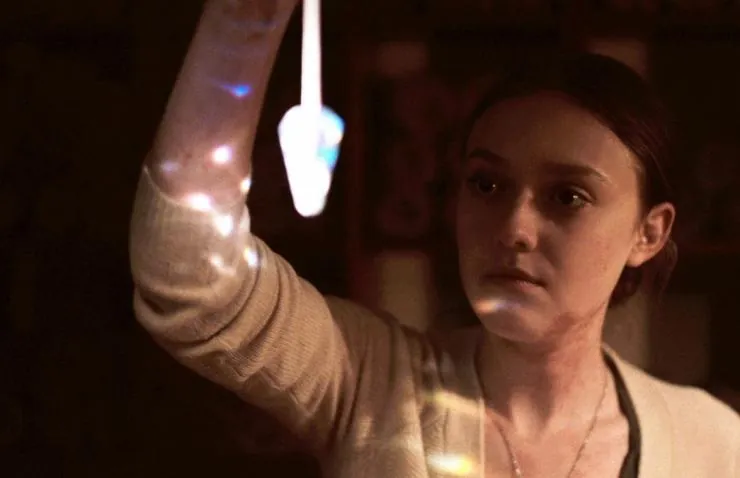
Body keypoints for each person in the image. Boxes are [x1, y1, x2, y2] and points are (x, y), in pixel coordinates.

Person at [129, 1, 740, 477]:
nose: (515, 228)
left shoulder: (713, 443)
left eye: (567, 197)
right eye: (486, 184)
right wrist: (246, 16)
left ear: (649, 232)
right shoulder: (373, 380)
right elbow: (190, 269)